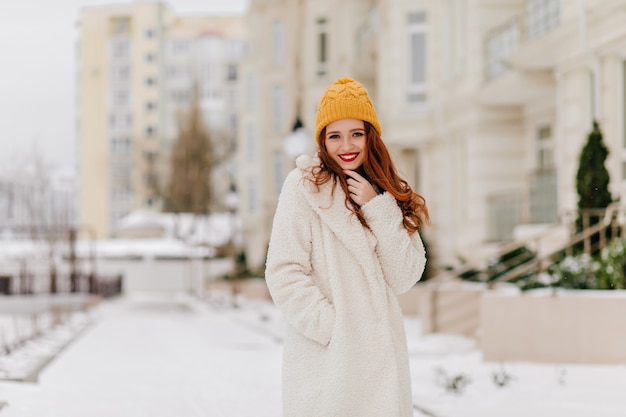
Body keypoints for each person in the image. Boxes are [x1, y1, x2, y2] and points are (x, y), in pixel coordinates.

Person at [265, 77, 429, 417]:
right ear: (323, 141)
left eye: (356, 133)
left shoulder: (387, 191)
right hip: (328, 367)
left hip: (382, 373)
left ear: (371, 136)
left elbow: (405, 277)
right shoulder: (303, 187)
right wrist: (335, 329)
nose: (346, 145)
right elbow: (283, 271)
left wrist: (378, 208)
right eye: (334, 135)